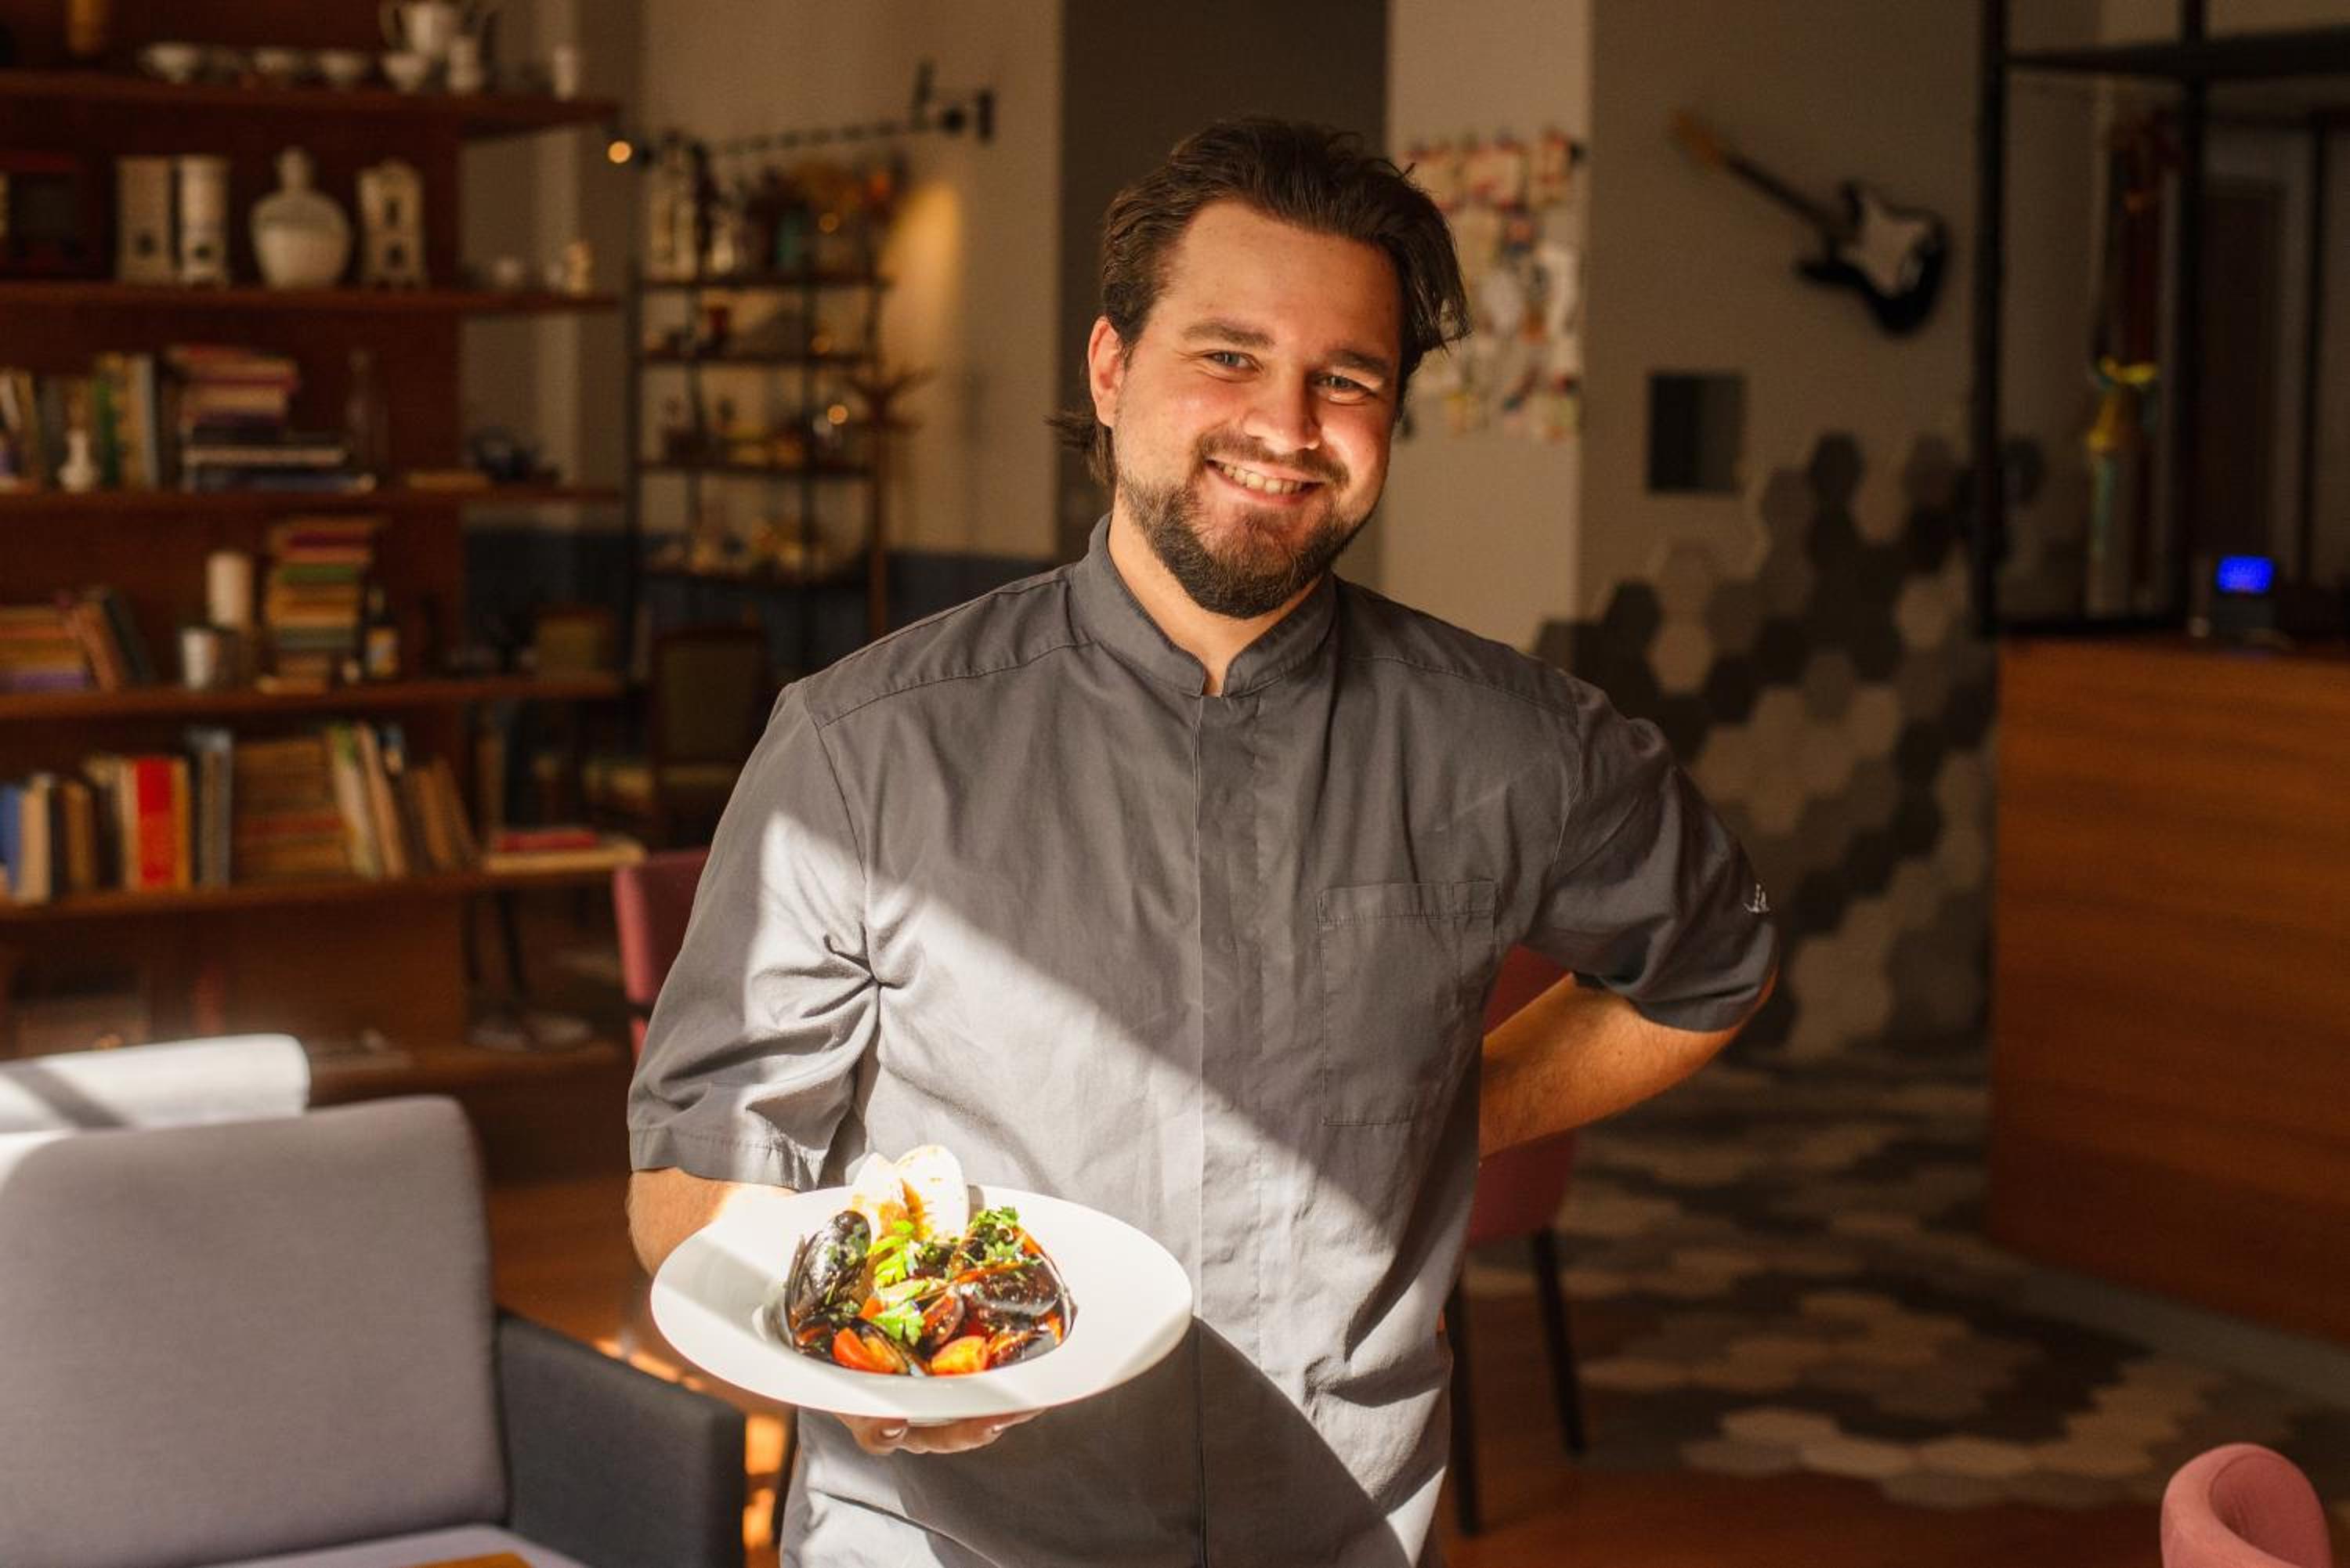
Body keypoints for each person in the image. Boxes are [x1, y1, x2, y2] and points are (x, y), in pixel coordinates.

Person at [628, 117, 1778, 1567]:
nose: (1287, 425)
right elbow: (701, 1168)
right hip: (942, 1538)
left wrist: (1451, 1109)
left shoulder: (1514, 744)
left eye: (1347, 378)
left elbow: (1710, 964)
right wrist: (848, 1354)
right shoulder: (861, 747)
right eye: (1230, 355)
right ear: (1111, 370)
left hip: (1342, 1529)